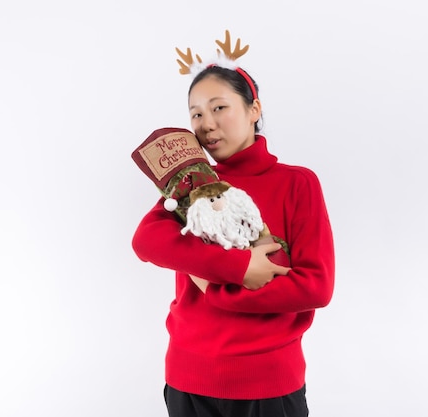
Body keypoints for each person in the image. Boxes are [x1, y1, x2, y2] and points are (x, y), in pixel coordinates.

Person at [131, 30, 335, 417]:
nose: (206, 123)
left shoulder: (297, 182)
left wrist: (218, 289)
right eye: (196, 113)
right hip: (188, 380)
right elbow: (147, 241)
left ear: (254, 109)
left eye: (219, 108)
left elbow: (316, 286)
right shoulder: (194, 185)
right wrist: (242, 268)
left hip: (269, 384)